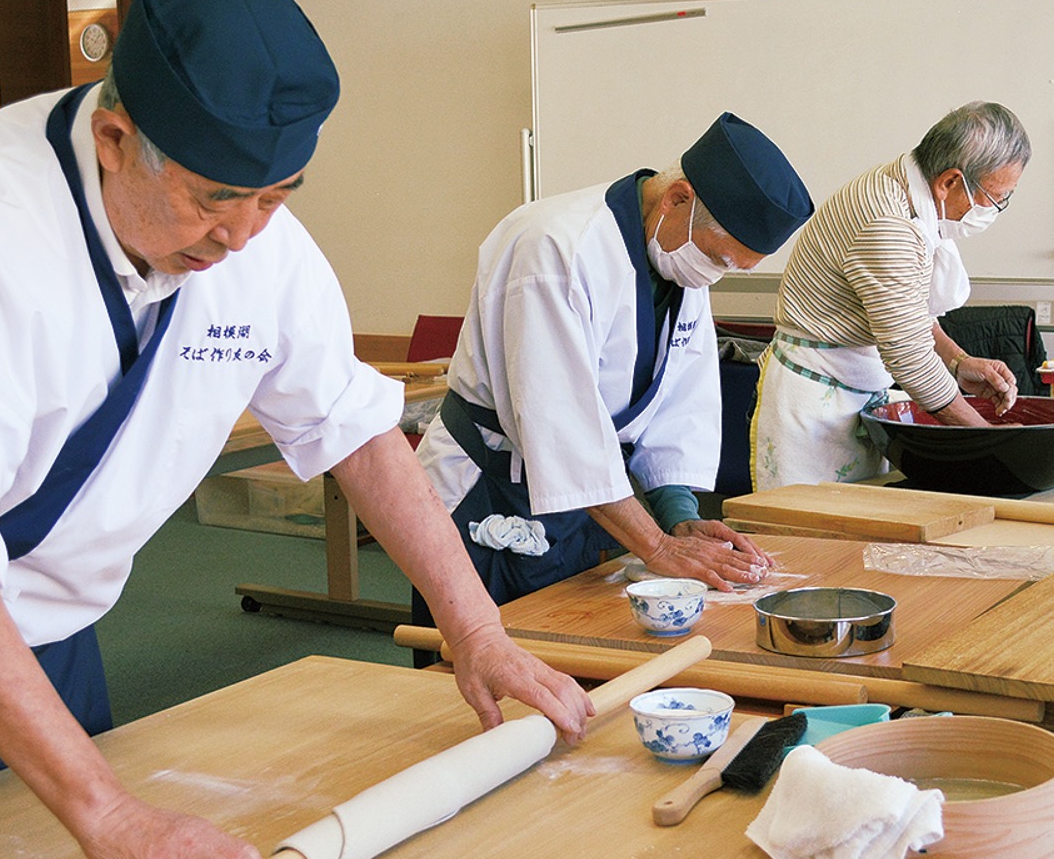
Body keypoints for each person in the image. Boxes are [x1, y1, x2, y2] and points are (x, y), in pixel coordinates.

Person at [0, 0, 594, 859]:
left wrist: (477, 631)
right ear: (115, 137)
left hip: (51, 618)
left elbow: (358, 433)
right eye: (214, 200)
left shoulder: (250, 237)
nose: (244, 235)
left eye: (278, 196)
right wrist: (108, 807)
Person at [414, 112, 813, 615]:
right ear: (677, 199)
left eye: (736, 267)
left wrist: (678, 516)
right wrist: (659, 547)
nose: (718, 276)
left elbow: (679, 400)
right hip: (488, 490)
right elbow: (558, 424)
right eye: (720, 258)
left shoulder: (676, 253)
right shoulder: (556, 246)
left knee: (569, 647)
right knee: (469, 667)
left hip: (588, 501)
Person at [750, 101, 1028, 490]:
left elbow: (905, 310)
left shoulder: (908, 188)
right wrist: (987, 436)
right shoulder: (890, 222)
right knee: (808, 542)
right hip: (814, 406)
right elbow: (909, 356)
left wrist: (958, 360)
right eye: (994, 199)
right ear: (949, 182)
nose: (994, 210)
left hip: (856, 392)